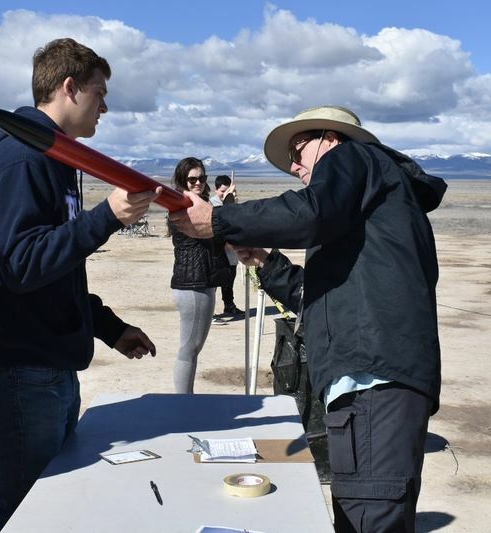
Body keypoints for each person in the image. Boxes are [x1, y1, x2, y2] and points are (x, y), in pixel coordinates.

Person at [170, 105, 445, 532]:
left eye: (300, 149)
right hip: (368, 383)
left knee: (368, 517)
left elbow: (310, 212)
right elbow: (323, 296)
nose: (295, 165)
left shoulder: (356, 158)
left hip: (374, 381)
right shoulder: (363, 209)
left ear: (331, 139)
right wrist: (266, 263)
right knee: (359, 511)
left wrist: (218, 220)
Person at [0, 37, 160, 533]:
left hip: (47, 369)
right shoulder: (22, 161)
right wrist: (107, 217)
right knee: (27, 509)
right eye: (99, 93)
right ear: (70, 88)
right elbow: (22, 265)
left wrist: (109, 328)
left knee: (49, 505)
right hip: (22, 372)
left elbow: (58, 274)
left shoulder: (53, 161)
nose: (106, 106)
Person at [167, 158, 222, 392]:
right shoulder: (184, 206)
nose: (198, 182)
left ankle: (186, 397)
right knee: (189, 346)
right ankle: (183, 401)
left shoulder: (198, 203)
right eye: (192, 179)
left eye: (202, 178)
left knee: (193, 346)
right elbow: (214, 234)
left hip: (200, 280)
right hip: (193, 283)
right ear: (182, 180)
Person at [209, 175, 242, 318]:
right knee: (214, 284)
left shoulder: (233, 203)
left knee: (229, 282)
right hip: (218, 252)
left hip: (231, 253)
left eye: (227, 191)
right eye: (222, 191)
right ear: (216, 190)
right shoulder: (211, 205)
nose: (225, 194)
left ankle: (229, 306)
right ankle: (209, 311)